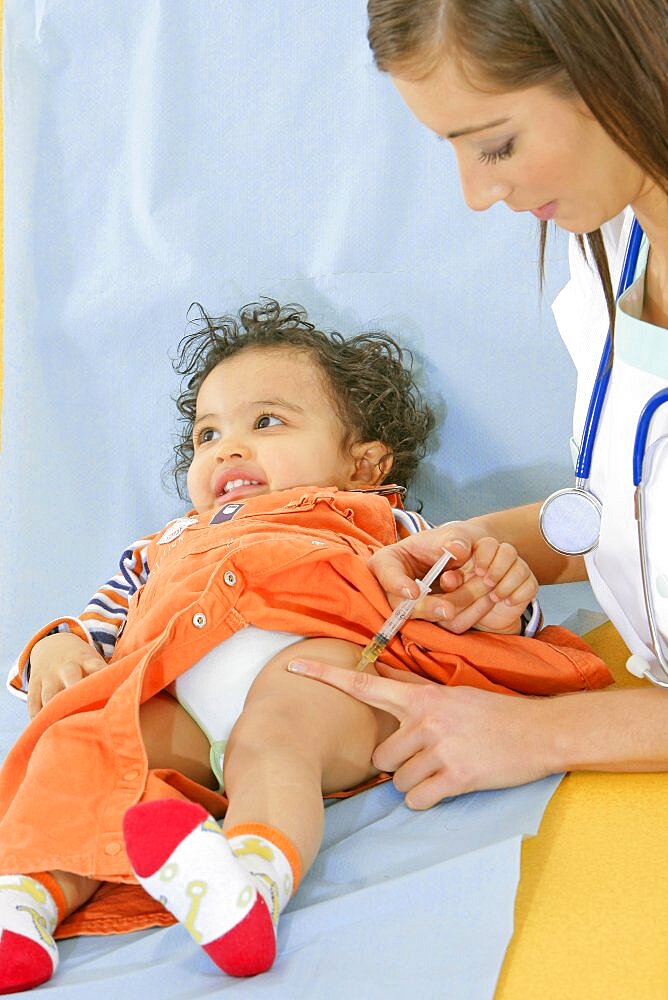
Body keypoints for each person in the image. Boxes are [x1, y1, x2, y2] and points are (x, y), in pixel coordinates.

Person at [0, 298, 611, 991]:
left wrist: (500, 604)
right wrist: (56, 648)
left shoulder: (380, 519)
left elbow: (466, 605)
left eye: (265, 422)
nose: (227, 447)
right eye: (207, 435)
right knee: (83, 747)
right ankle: (26, 900)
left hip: (325, 681)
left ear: (361, 463)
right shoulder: (162, 546)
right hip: (184, 706)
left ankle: (247, 885)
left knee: (278, 726)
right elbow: (95, 623)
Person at [288, 0, 668, 808]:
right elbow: (632, 508)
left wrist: (537, 734)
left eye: (496, 143)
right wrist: (481, 543)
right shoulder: (612, 245)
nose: (475, 192)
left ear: (619, 64)